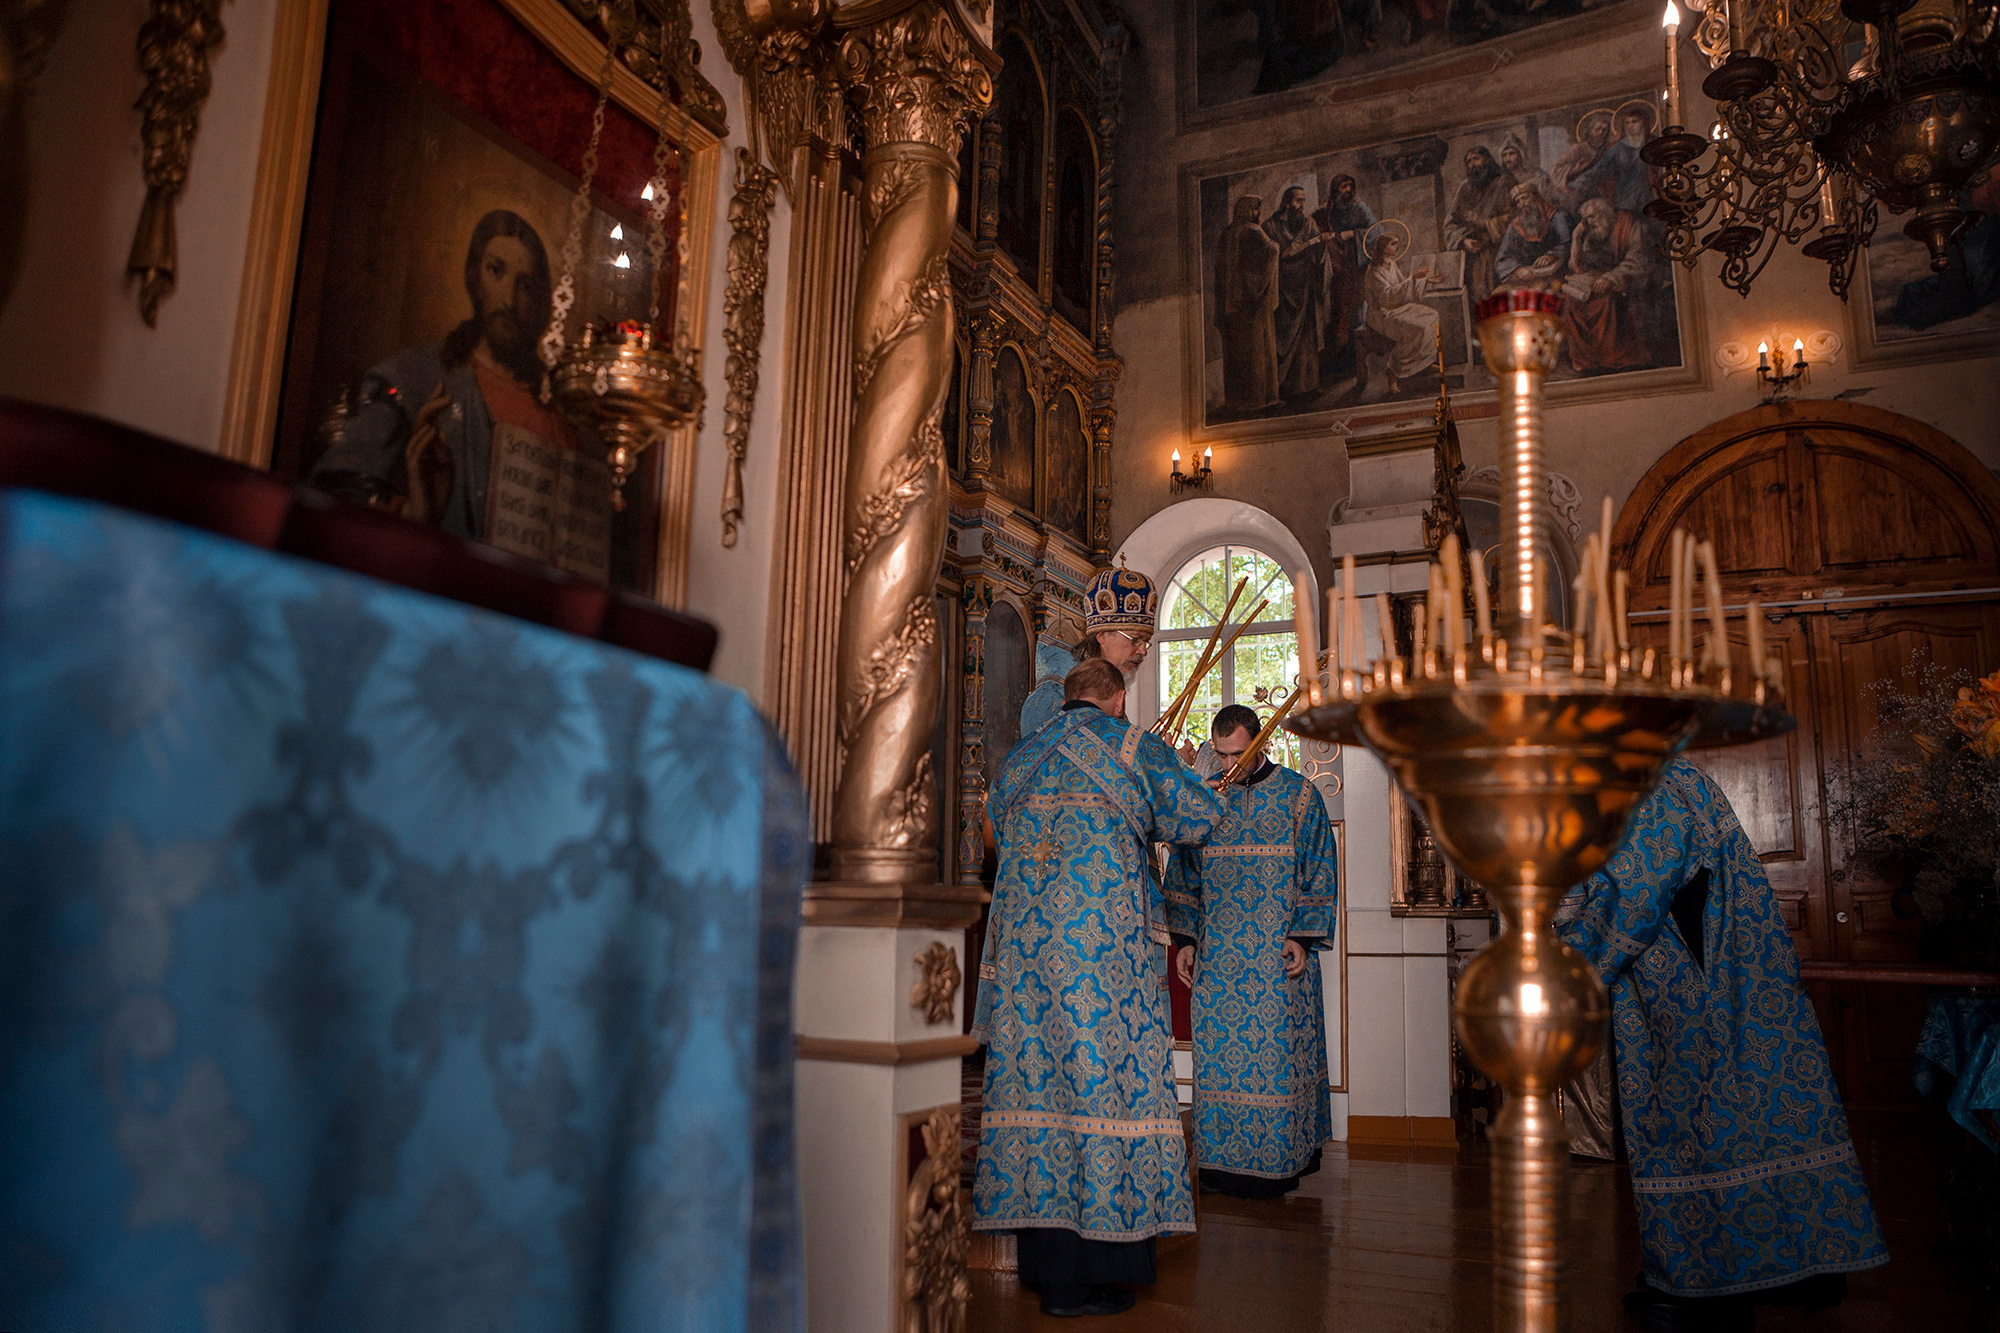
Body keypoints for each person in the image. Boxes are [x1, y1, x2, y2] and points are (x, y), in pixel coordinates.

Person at [1554, 759, 1889, 1333]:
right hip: (1710, 979)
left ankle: (1707, 1288)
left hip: (1695, 985)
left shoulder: (1650, 782)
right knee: (1755, 1115)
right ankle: (1797, 1267)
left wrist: (1567, 967)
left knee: (1697, 1121)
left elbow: (1634, 891)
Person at [973, 657, 1226, 1318]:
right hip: (1104, 959)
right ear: (1117, 697)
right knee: (1103, 1100)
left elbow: (992, 833)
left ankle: (1054, 1274)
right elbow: (1200, 818)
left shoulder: (1021, 756)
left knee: (1040, 1097)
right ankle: (1101, 1267)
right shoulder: (1135, 745)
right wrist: (1196, 767)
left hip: (1028, 961)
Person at [313, 209, 576, 540]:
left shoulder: (560, 413)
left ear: (540, 302)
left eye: (526, 285)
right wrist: (415, 515)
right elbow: (336, 501)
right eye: (496, 271)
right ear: (474, 278)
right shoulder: (411, 378)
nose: (509, 300)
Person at [1165, 704, 1338, 1198]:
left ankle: (1281, 1166)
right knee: (1217, 1066)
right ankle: (1219, 1170)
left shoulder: (1299, 798)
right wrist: (1186, 941)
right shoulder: (1205, 802)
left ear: (1259, 744)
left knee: (1278, 1063)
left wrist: (1301, 938)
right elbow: (1183, 876)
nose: (1226, 767)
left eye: (1236, 756)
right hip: (1218, 964)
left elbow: (1321, 872)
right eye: (1219, 756)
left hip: (1276, 962)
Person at [1020, 563, 1158, 738]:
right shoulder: (1053, 693)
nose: (1143, 651)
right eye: (1136, 640)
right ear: (1101, 636)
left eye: (1146, 642)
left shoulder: (1108, 688)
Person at [1562, 197, 1657, 373]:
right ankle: (1585, 358)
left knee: (1604, 302)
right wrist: (1576, 237)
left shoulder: (1631, 224)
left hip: (1627, 281)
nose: (1588, 223)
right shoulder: (1594, 232)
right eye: (1585, 219)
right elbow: (1577, 267)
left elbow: (1638, 260)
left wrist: (1610, 279)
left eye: (1592, 217)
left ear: (1605, 214)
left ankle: (1608, 356)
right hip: (1597, 282)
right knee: (1571, 300)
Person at [1214, 194, 1282, 416]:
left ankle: (1237, 400)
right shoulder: (1253, 232)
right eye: (1254, 209)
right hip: (1253, 302)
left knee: (1237, 353)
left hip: (1232, 305)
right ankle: (1260, 399)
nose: (1258, 214)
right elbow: (1271, 252)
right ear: (1245, 210)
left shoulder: (1227, 234)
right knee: (1256, 349)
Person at [1263, 185, 1332, 399]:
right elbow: (1266, 259)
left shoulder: (1308, 223)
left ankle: (1308, 386)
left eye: (1303, 200)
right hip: (1282, 290)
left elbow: (1317, 252)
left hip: (1304, 287)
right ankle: (1283, 387)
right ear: (1286, 202)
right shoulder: (1270, 226)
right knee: (1282, 338)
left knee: (1306, 338)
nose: (1301, 205)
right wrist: (1286, 253)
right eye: (1297, 200)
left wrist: (1321, 244)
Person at [1362, 222, 1440, 396]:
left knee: (1432, 315)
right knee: (1417, 327)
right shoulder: (1374, 271)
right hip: (1381, 314)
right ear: (1383, 247)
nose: (1397, 247)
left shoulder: (1391, 264)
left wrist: (1425, 280)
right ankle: (1393, 370)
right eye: (1393, 243)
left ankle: (1423, 362)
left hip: (1397, 307)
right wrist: (1413, 278)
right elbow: (1387, 298)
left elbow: (1403, 285)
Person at [1313, 174, 1375, 378]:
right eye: (1343, 186)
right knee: (1338, 313)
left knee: (1357, 311)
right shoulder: (1327, 211)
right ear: (1335, 189)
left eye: (1350, 186)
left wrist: (1352, 234)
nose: (1347, 190)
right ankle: (1338, 360)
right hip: (1336, 272)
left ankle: (1355, 361)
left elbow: (1377, 230)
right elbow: (1317, 230)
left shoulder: (1360, 208)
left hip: (1355, 269)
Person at [1443, 145, 1514, 301]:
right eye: (1468, 161)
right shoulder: (1465, 188)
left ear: (1487, 160)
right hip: (1474, 257)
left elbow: (1516, 218)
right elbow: (1450, 224)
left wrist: (1484, 223)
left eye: (1476, 158)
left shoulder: (1504, 182)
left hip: (1500, 252)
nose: (1472, 164)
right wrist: (1463, 240)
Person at [1572, 103, 1659, 214]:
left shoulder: (1653, 144)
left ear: (1644, 122)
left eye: (1635, 121)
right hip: (1625, 203)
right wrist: (1577, 183)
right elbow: (1599, 170)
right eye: (1627, 122)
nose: (1630, 126)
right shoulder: (1618, 148)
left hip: (1649, 200)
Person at [1494, 179, 1572, 287]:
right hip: (1528, 280)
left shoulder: (1558, 216)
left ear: (1536, 198)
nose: (1522, 203)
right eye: (1518, 201)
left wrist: (1552, 256)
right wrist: (1517, 270)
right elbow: (1501, 259)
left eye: (1525, 198)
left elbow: (1568, 244)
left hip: (1558, 278)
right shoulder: (1515, 227)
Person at [1550, 109, 1615, 215]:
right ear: (1590, 130)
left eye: (1605, 130)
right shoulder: (1578, 149)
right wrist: (1574, 169)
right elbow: (1555, 168)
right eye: (1598, 129)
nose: (1601, 133)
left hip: (1602, 189)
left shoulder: (1608, 150)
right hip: (1579, 191)